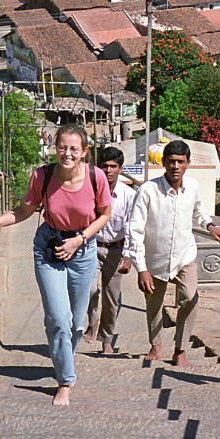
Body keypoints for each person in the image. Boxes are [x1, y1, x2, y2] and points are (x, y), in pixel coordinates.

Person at [0, 125, 111, 406]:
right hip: (50, 248)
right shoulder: (42, 176)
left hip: (82, 250)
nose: (67, 153)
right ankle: (65, 381)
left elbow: (104, 215)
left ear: (84, 152)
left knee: (76, 323)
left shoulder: (97, 177)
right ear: (54, 148)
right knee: (58, 319)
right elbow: (23, 210)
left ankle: (62, 359)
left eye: (74, 149)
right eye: (62, 147)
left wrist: (80, 240)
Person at [129, 139, 220, 367]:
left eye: (180, 162)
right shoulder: (149, 190)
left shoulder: (193, 187)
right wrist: (141, 268)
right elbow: (135, 230)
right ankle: (156, 345)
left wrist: (210, 226)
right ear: (164, 164)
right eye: (171, 162)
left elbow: (198, 210)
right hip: (154, 260)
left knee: (190, 298)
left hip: (185, 256)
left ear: (188, 164)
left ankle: (180, 348)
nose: (175, 166)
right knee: (154, 305)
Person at [85, 147, 135, 354]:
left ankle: (107, 338)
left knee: (111, 296)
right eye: (104, 166)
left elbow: (133, 226)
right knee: (89, 289)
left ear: (120, 169)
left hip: (116, 249)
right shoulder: (88, 190)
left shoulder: (129, 195)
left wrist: (129, 255)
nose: (108, 170)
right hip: (92, 246)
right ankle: (93, 322)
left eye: (113, 166)